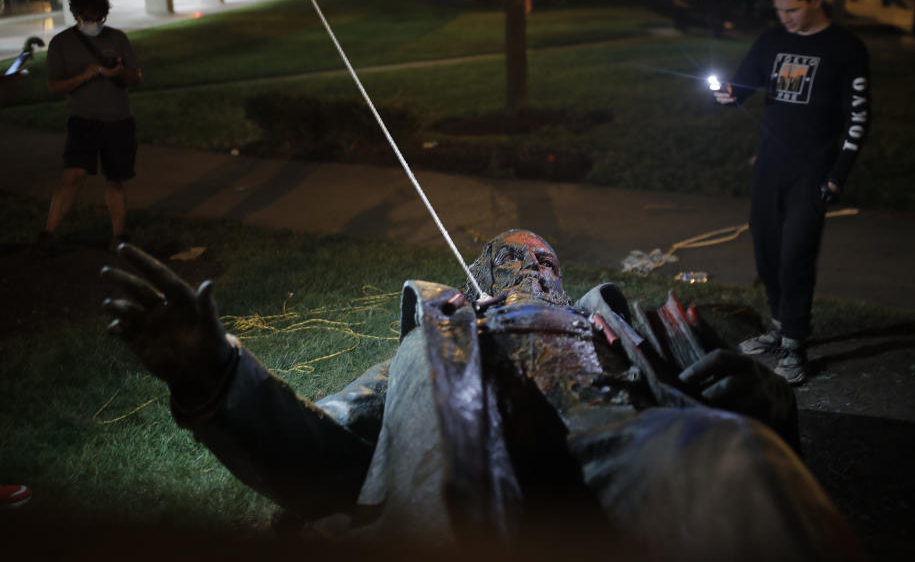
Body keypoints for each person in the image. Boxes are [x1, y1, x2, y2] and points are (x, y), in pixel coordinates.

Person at [101, 231, 864, 560]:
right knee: (460, 516)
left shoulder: (610, 327)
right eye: (505, 265)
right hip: (469, 458)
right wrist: (212, 376)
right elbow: (323, 452)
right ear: (477, 286)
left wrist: (767, 403)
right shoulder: (433, 344)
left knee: (732, 457)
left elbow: (737, 401)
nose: (522, 272)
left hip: (617, 443)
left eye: (536, 265)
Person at [713, 0, 870, 385]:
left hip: (813, 171)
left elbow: (858, 118)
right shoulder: (771, 41)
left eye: (793, 10)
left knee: (795, 254)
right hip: (769, 166)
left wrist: (838, 173)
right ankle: (779, 326)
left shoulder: (846, 48)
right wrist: (728, 95)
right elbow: (744, 85)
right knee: (765, 249)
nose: (785, 19)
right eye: (780, 10)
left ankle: (796, 345)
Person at [41, 0, 142, 251]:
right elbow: (54, 86)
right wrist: (83, 77)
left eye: (100, 18)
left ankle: (118, 237)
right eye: (89, 18)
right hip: (83, 121)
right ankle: (49, 234)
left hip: (118, 119)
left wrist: (119, 73)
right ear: (76, 14)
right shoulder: (61, 43)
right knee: (73, 175)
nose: (95, 23)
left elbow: (136, 77)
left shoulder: (117, 38)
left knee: (115, 179)